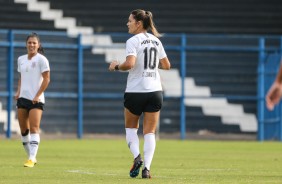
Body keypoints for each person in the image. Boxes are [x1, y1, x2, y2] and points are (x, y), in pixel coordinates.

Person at [108, 9, 171, 179]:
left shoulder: (132, 41)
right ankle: (147, 169)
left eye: (130, 21)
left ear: (138, 23)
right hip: (155, 90)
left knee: (131, 129)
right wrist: (149, 67)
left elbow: (129, 64)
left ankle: (137, 158)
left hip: (136, 91)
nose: (127, 23)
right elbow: (166, 65)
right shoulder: (156, 41)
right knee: (149, 132)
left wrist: (115, 66)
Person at [14, 33, 50, 168]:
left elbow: (47, 79)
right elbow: (21, 77)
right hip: (23, 98)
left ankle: (32, 158)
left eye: (34, 43)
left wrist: (37, 95)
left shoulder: (42, 60)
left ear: (38, 45)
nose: (31, 45)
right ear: (26, 44)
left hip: (36, 100)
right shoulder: (21, 59)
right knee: (24, 130)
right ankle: (30, 156)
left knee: (34, 128)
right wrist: (18, 92)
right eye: (29, 42)